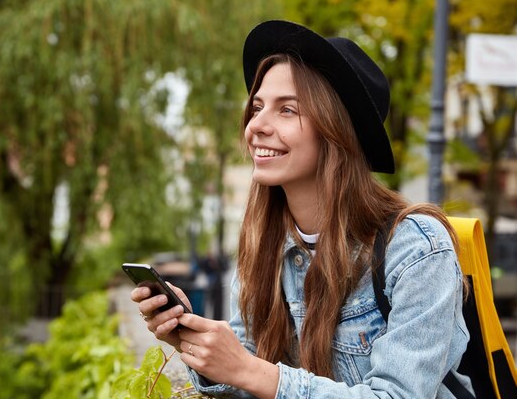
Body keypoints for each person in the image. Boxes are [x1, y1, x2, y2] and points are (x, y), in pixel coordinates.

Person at [131, 20, 474, 398]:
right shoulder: (264, 245)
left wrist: (250, 370)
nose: (256, 125)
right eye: (257, 106)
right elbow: (248, 379)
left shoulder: (415, 250)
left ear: (336, 132)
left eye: (287, 110)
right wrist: (197, 341)